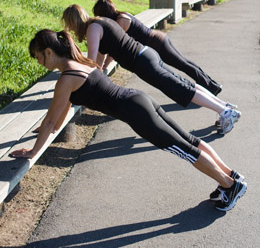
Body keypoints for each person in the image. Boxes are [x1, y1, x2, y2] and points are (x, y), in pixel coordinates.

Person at [10, 29, 247, 211]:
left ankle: (229, 184)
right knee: (190, 141)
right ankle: (231, 176)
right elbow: (60, 114)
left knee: (185, 150)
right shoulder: (79, 62)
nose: (39, 63)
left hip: (136, 113)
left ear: (49, 52)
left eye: (38, 57)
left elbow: (52, 121)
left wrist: (32, 152)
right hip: (139, 100)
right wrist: (45, 130)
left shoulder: (65, 79)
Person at [61, 4, 241, 135]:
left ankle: (225, 112)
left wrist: (76, 75)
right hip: (146, 54)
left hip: (143, 62)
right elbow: (99, 62)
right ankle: (225, 107)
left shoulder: (93, 29)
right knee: (183, 84)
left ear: (73, 22)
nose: (70, 29)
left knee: (180, 89)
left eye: (69, 25)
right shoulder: (101, 22)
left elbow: (92, 61)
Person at [93, 0, 222, 95]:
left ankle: (210, 87)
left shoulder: (120, 22)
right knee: (185, 63)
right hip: (159, 38)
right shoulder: (123, 15)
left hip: (156, 44)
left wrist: (104, 66)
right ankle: (212, 85)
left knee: (183, 65)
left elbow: (113, 48)